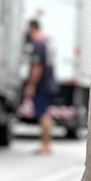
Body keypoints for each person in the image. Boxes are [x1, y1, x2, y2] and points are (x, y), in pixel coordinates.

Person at [22, 18, 59, 155]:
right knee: (46, 114)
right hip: (49, 82)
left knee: (43, 115)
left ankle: (44, 145)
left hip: (42, 85)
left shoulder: (38, 44)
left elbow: (37, 67)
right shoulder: (48, 41)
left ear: (32, 28)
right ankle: (46, 144)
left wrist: (31, 85)